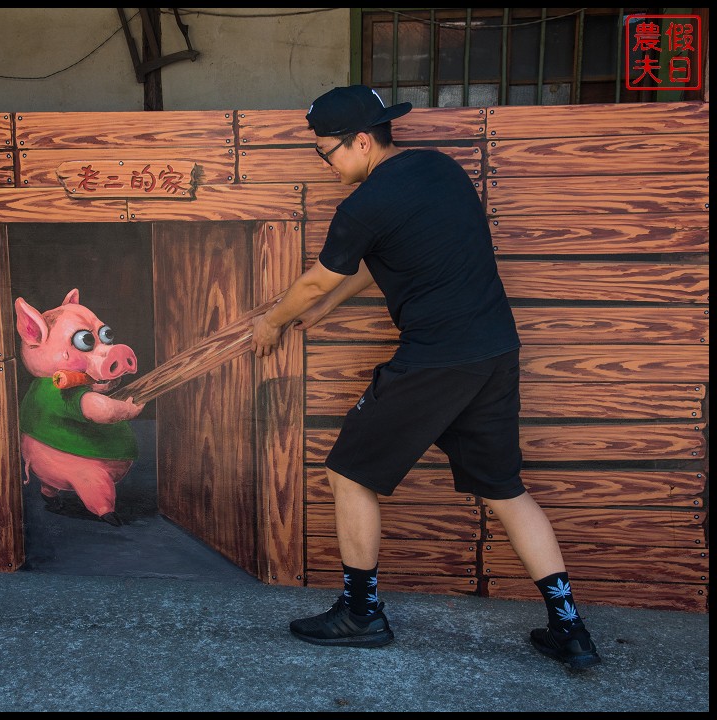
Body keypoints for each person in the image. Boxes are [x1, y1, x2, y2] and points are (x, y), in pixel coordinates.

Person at [250, 85, 601, 670]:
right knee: (504, 490)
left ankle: (361, 613)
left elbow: (315, 279)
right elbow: (386, 257)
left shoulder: (361, 206)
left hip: (437, 357)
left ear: (360, 141)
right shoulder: (440, 171)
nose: (326, 162)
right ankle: (570, 628)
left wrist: (273, 322)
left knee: (347, 473)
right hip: (494, 351)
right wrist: (330, 308)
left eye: (326, 152)